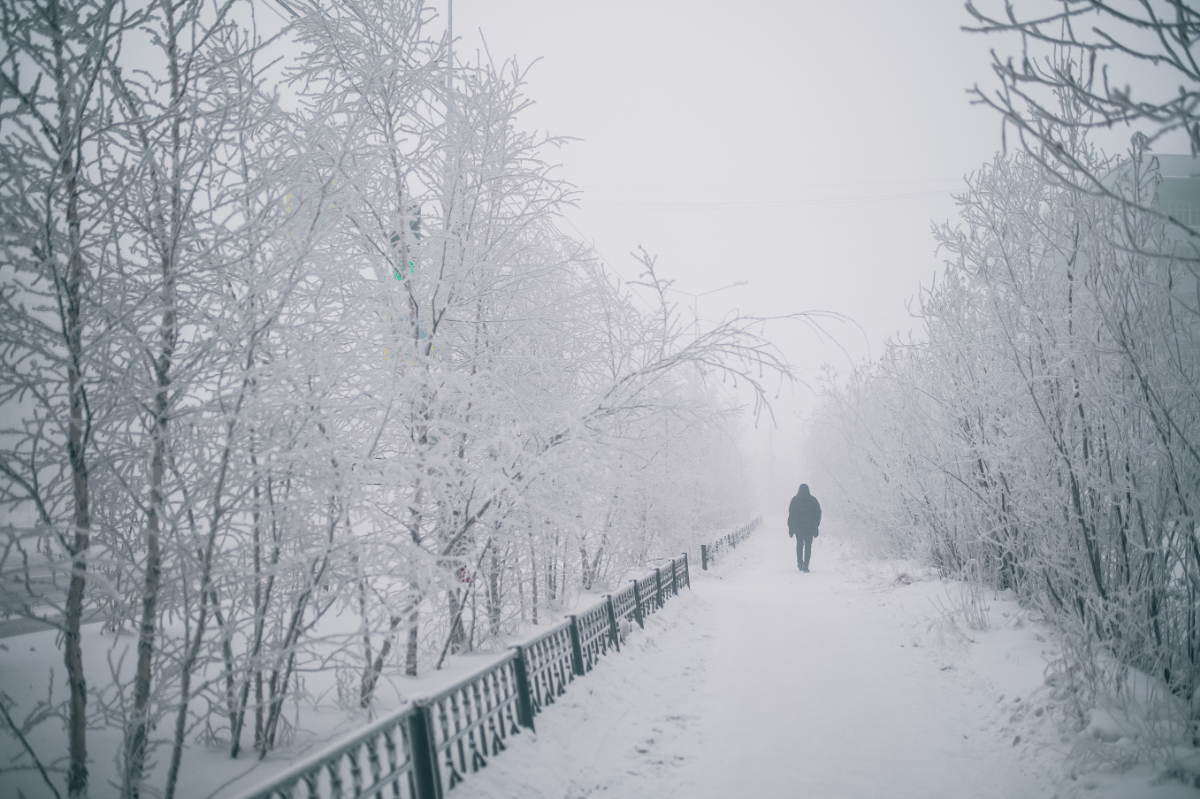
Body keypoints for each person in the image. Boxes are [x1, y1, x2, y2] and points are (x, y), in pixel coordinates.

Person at [788, 484, 821, 572]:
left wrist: (791, 527)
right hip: (809, 528)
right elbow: (818, 513)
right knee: (808, 546)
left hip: (798, 528)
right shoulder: (813, 500)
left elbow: (791, 514)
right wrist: (816, 524)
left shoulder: (795, 500)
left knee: (799, 545)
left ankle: (800, 563)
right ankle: (806, 565)